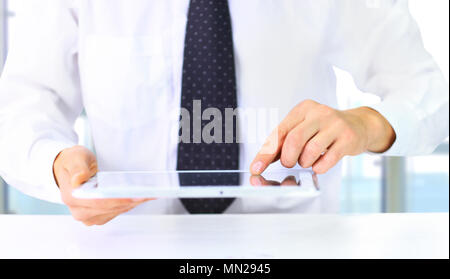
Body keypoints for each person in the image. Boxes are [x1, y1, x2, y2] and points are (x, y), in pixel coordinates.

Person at [0, 0, 448, 225]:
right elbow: (24, 101)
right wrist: (54, 163)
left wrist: (367, 124)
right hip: (128, 242)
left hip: (292, 243)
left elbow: (431, 91)